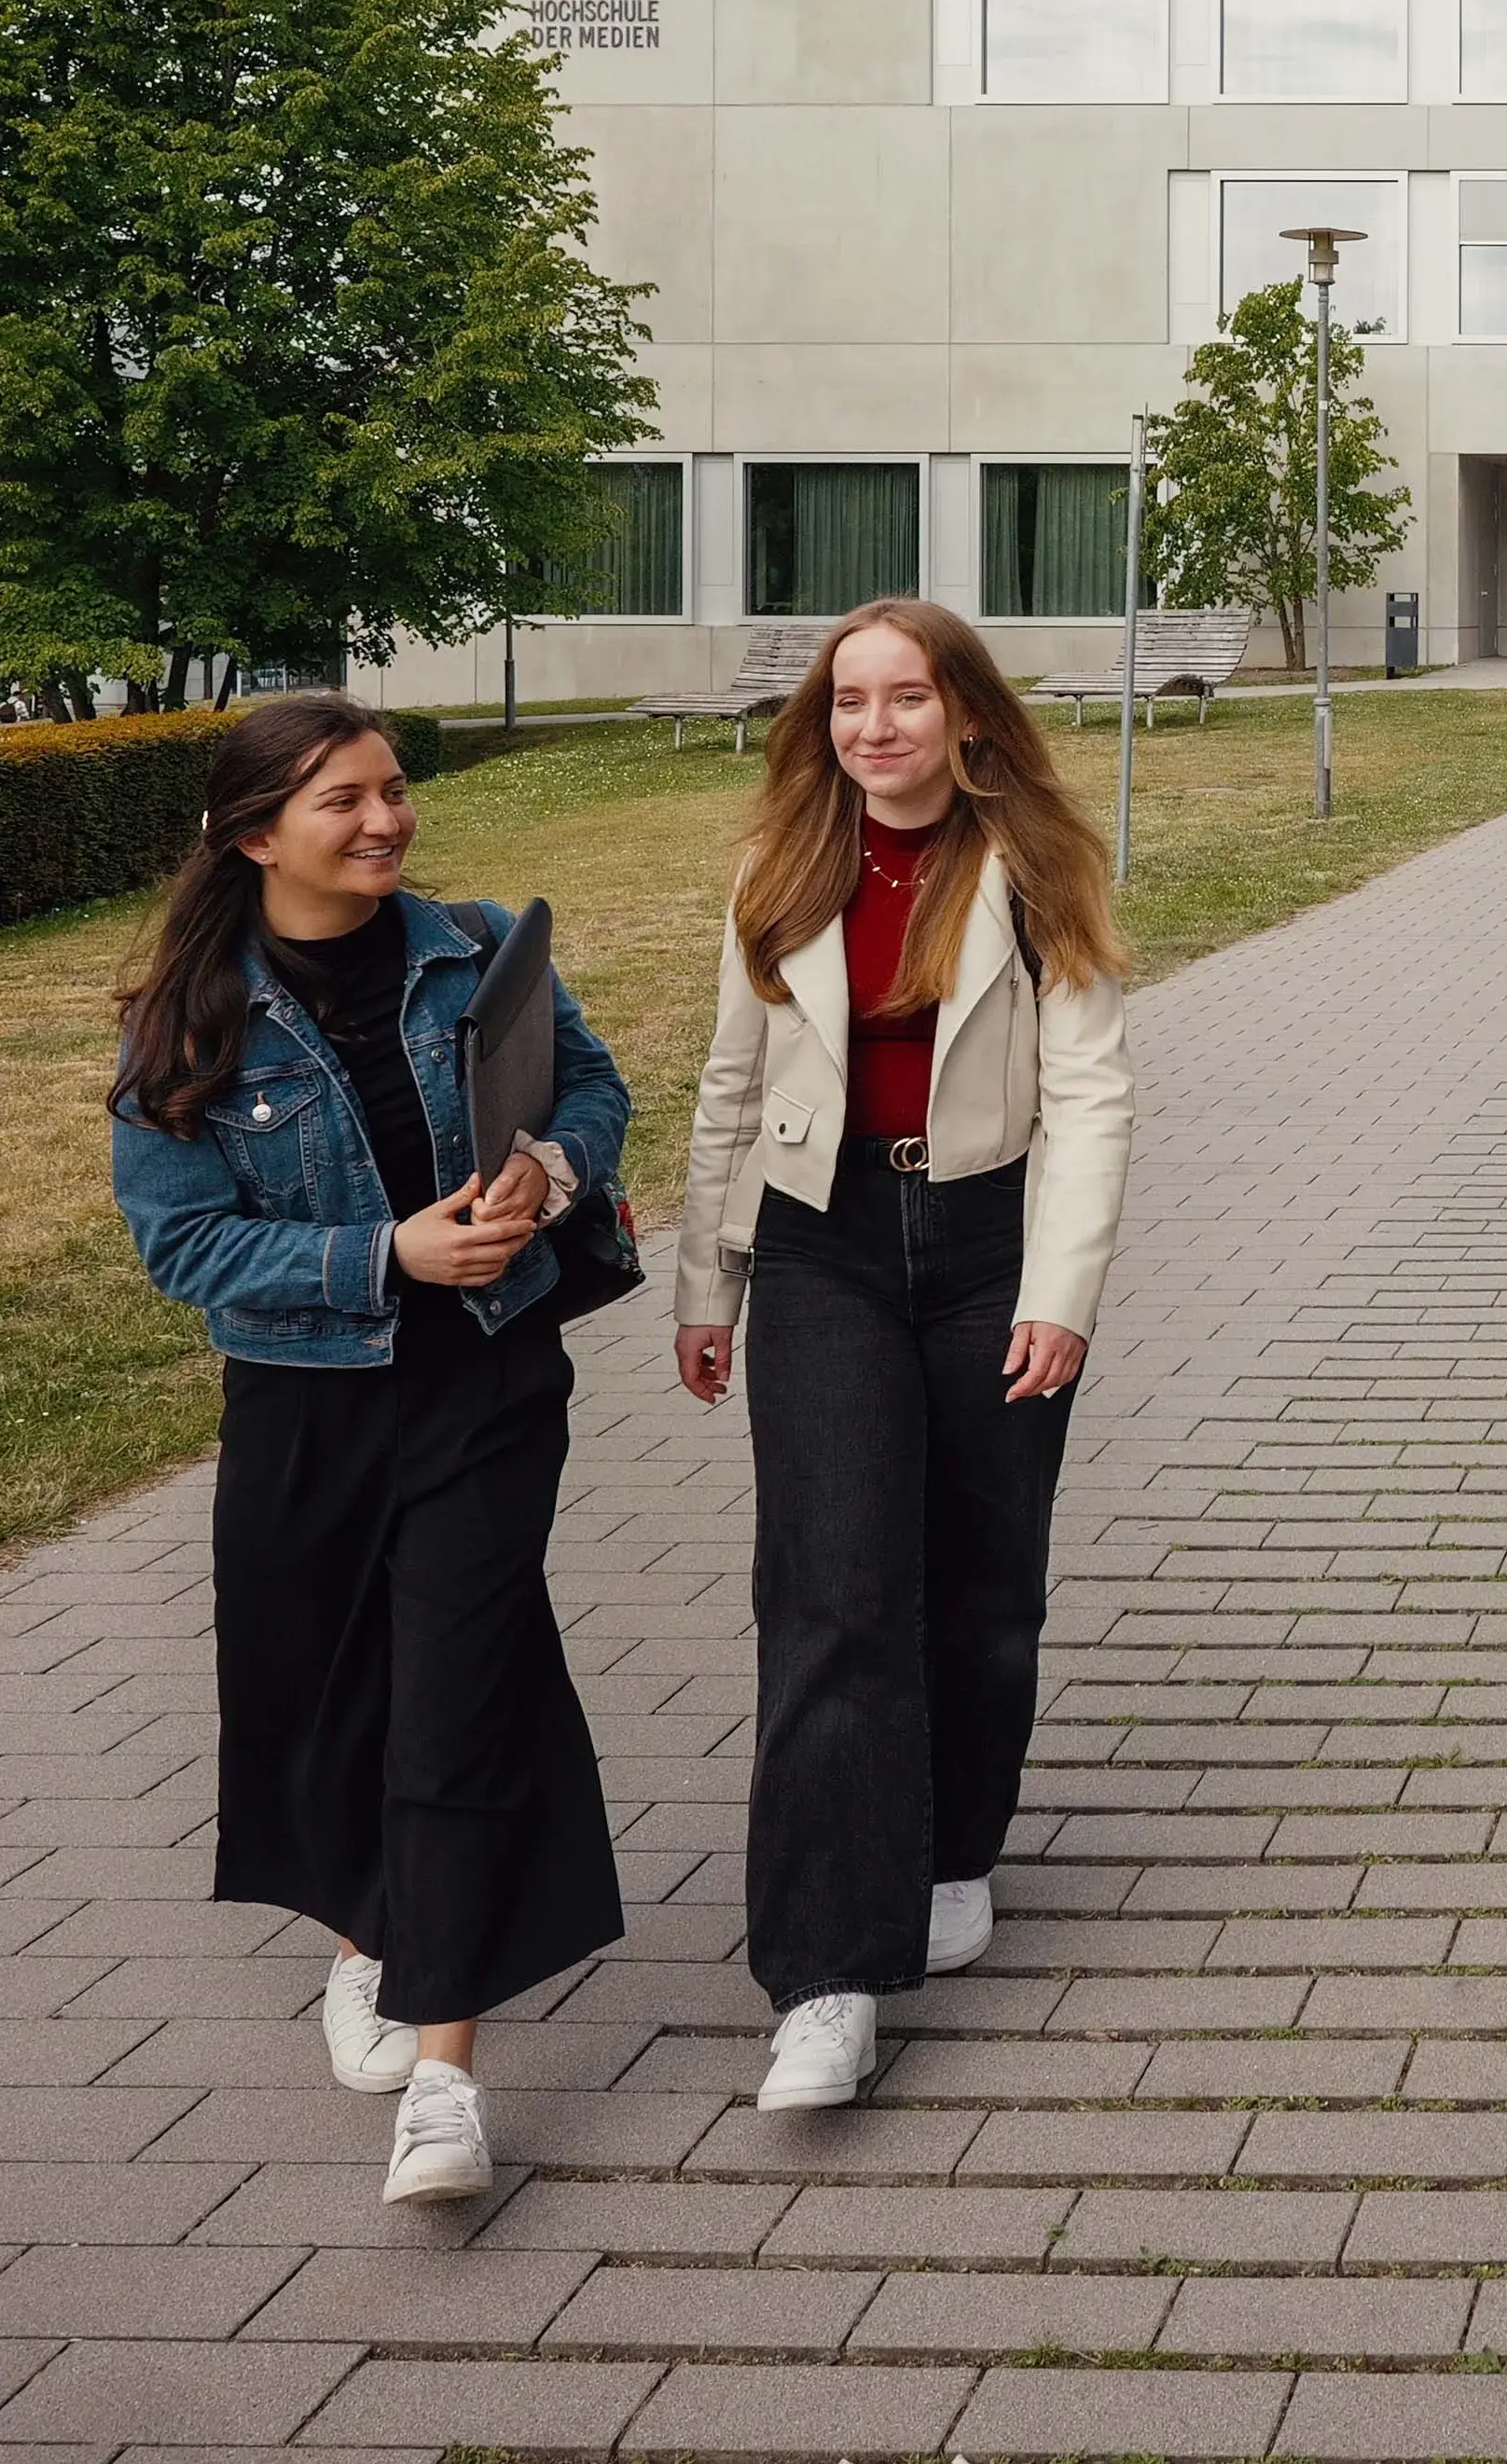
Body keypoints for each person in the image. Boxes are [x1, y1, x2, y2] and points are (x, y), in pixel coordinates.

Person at [113, 697, 631, 2209]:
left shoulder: (475, 946)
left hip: (488, 1382)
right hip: (306, 1403)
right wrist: (386, 1252)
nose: (386, 819)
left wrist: (550, 1166)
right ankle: (365, 1935)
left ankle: (447, 2076)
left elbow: (592, 1086)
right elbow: (187, 1243)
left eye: (393, 788)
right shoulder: (189, 1017)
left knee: (456, 1699)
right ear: (254, 833)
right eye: (343, 798)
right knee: (331, 1698)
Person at [674, 603, 1134, 2113]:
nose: (873, 726)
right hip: (822, 1242)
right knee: (833, 1588)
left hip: (989, 1244)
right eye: (849, 701)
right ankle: (825, 1973)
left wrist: (1061, 1292)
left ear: (967, 715)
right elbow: (730, 1084)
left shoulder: (1038, 865)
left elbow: (1091, 1093)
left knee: (985, 1581)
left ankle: (951, 1846)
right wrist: (707, 1282)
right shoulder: (781, 866)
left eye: (906, 698)